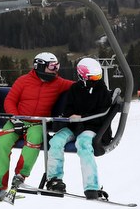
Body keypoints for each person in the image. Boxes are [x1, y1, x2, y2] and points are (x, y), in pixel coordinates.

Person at [0, 52, 74, 204]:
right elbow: (10, 100)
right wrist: (15, 118)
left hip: (38, 123)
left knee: (34, 139)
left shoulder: (58, 83)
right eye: (52, 66)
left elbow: (78, 87)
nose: (56, 69)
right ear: (40, 66)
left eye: (57, 66)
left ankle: (20, 175)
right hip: (16, 121)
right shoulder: (23, 81)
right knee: (2, 145)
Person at [44, 57, 113, 200]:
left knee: (83, 143)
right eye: (92, 77)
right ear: (82, 76)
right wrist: (71, 116)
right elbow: (68, 108)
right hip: (74, 126)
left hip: (93, 127)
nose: (96, 79)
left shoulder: (103, 92)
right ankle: (54, 180)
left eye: (98, 76)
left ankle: (91, 187)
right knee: (56, 141)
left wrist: (82, 116)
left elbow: (102, 115)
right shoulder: (75, 90)